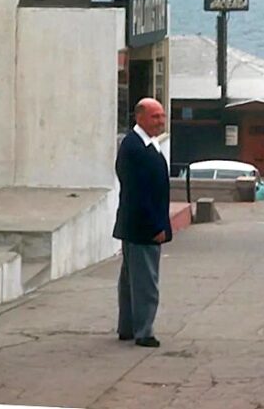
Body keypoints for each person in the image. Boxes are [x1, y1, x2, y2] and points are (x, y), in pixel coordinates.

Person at [114, 98, 172, 348]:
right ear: (139, 118)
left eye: (162, 116)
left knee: (130, 279)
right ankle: (144, 331)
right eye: (155, 117)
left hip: (134, 224)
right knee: (145, 281)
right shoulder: (135, 147)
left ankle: (128, 326)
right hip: (142, 226)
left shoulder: (146, 144)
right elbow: (138, 192)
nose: (160, 121)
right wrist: (155, 226)